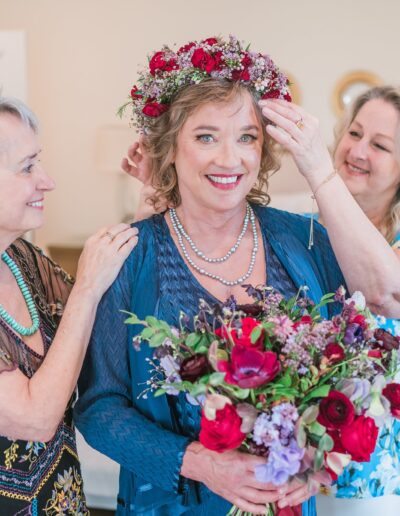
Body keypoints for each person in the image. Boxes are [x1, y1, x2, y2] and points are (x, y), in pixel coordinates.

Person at [74, 36, 351, 516]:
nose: (230, 159)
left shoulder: (306, 240)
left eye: (247, 137)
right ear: (169, 148)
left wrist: (320, 462)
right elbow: (98, 409)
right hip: (170, 505)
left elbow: (346, 369)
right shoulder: (130, 256)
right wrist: (198, 462)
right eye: (206, 137)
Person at [257, 87, 400, 515]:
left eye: (380, 145)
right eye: (354, 133)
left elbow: (383, 294)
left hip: (373, 479)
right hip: (287, 469)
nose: (357, 150)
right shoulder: (298, 232)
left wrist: (321, 173)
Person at [0, 97, 138, 514]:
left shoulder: (23, 259)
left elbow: (99, 319)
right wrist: (85, 288)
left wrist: (148, 194)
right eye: (27, 168)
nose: (47, 181)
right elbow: (36, 418)